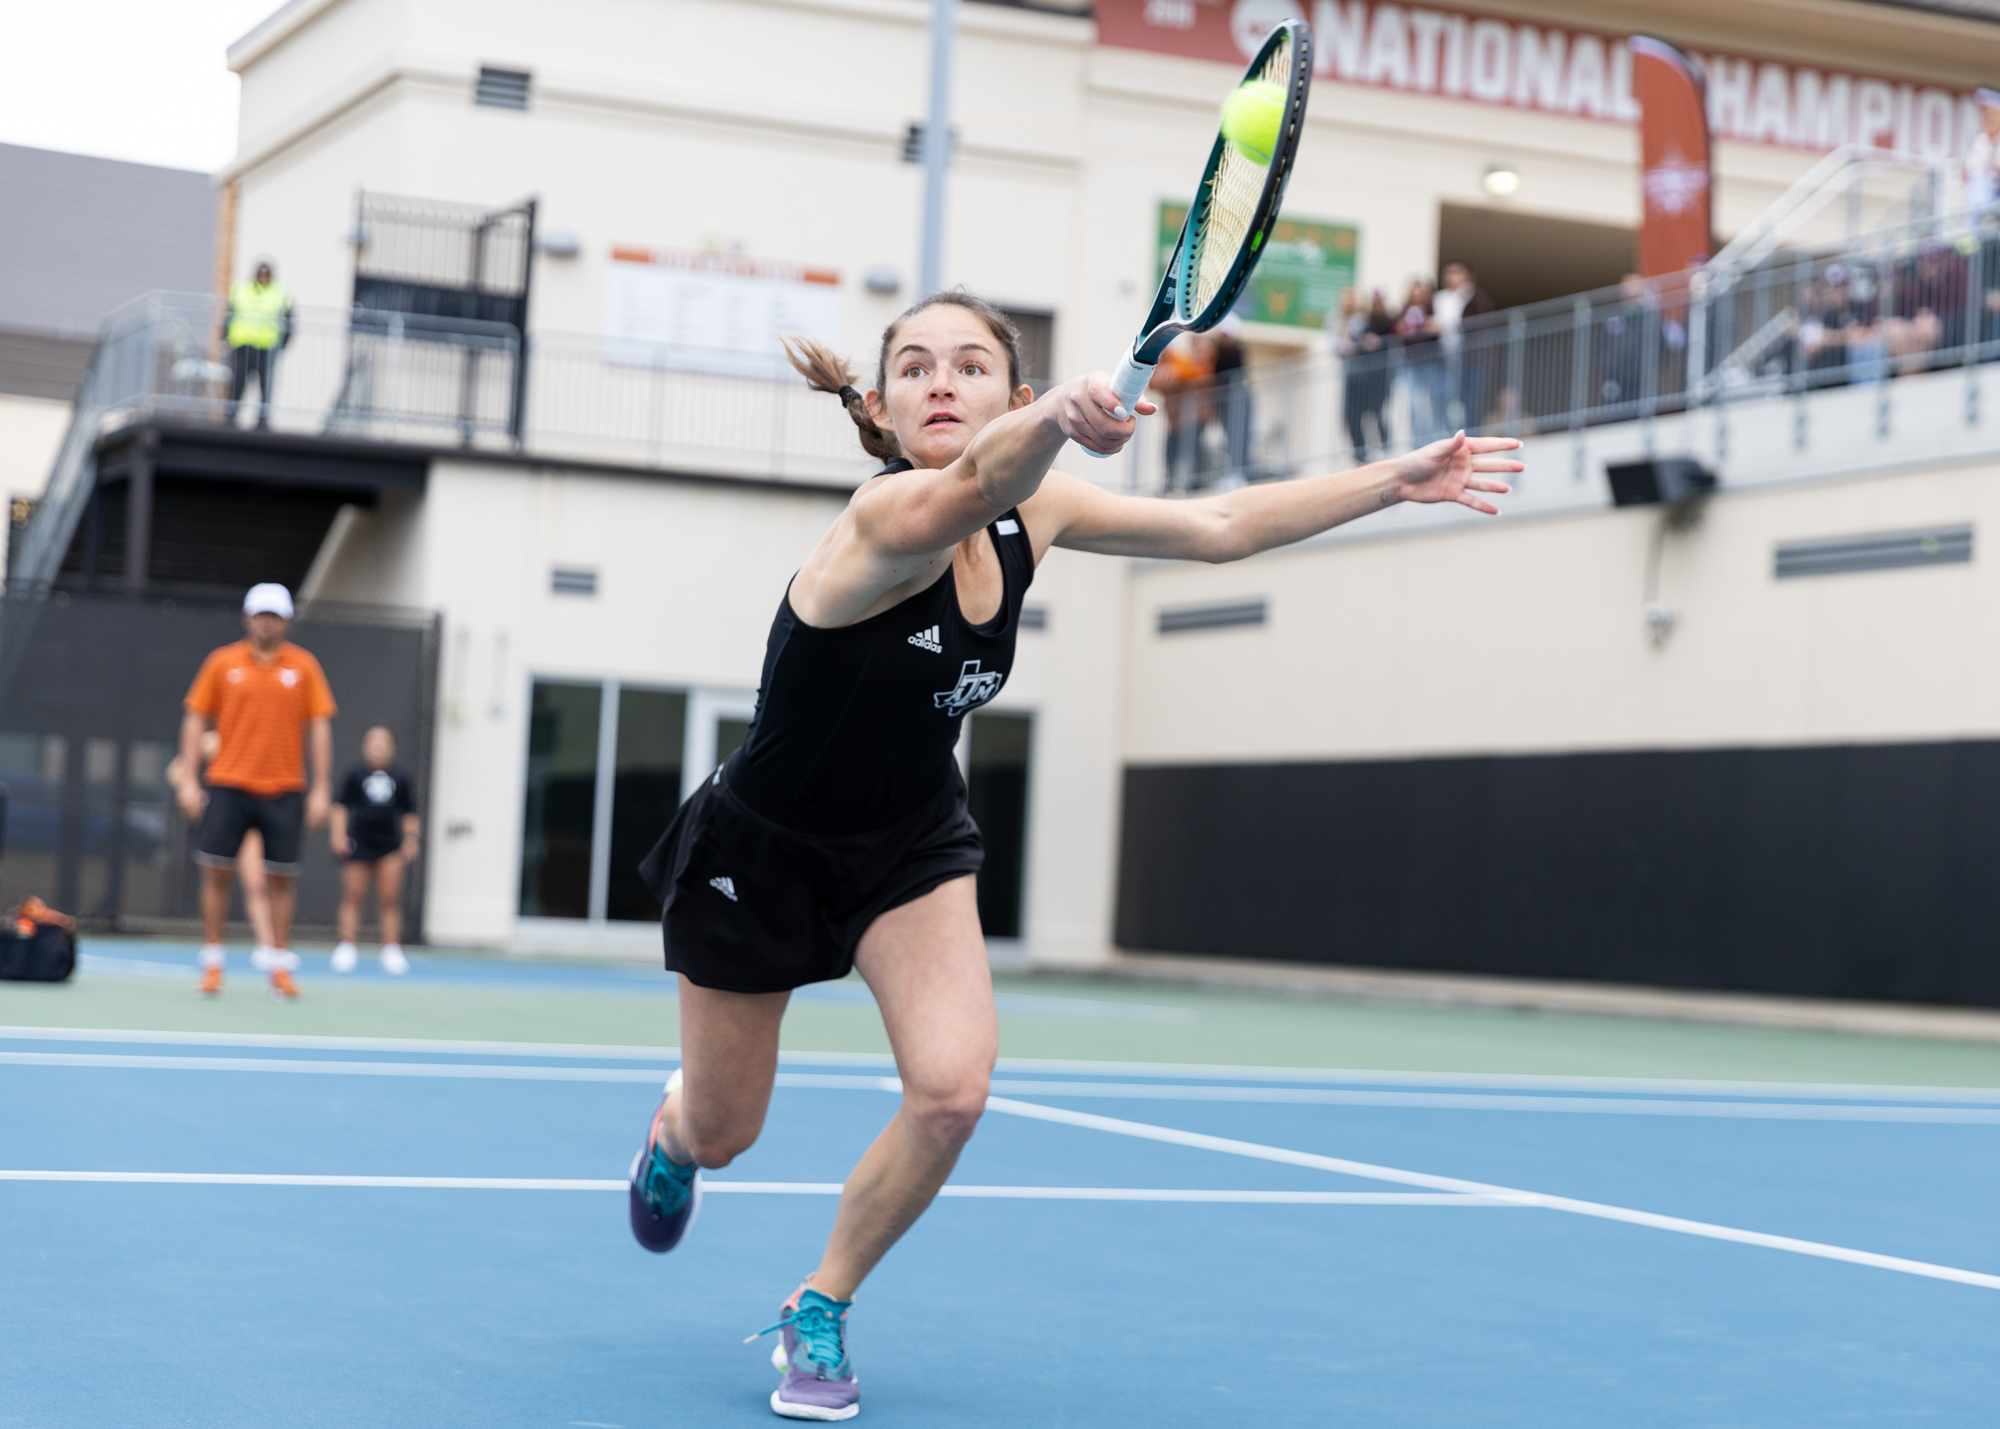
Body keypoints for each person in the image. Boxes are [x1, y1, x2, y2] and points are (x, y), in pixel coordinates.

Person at [623, 288, 1519, 1421]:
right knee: (724, 1130)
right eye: (912, 367)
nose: (939, 382)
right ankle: (673, 1133)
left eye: (967, 365)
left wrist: (1392, 479)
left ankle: (821, 1301)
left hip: (906, 837)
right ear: (884, 409)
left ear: (1012, 388)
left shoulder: (1031, 514)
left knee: (950, 1093)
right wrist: (1054, 425)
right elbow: (975, 482)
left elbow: (1220, 526)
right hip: (762, 849)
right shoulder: (886, 518)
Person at [175, 583, 335, 998]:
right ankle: (212, 963)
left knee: (280, 878)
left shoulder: (304, 667)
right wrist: (191, 779)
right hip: (228, 784)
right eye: (261, 614)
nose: (267, 622)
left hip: (284, 788)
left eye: (275, 615)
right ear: (248, 618)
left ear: (287, 621)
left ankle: (279, 965)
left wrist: (321, 789)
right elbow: (195, 718)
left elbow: (319, 727)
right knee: (216, 873)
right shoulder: (221, 663)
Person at [329, 725, 420, 976]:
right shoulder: (354, 775)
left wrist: (411, 840)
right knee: (353, 896)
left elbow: (410, 813)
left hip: (389, 846)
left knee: (390, 899)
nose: (378, 746)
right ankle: (347, 947)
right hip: (359, 843)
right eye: (373, 741)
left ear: (392, 746)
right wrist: (339, 836)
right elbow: (340, 807)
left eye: (384, 741)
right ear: (365, 745)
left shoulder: (401, 777)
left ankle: (392, 950)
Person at [223, 259, 293, 430]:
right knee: (237, 384)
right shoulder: (241, 290)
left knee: (266, 386)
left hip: (266, 347)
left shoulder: (280, 293)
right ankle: (230, 419)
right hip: (242, 345)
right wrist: (226, 339)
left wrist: (281, 346)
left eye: (265, 274)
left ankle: (263, 421)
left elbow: (289, 324)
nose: (262, 277)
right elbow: (229, 316)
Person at [1431, 261, 1495, 430]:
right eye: (1449, 272)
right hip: (1445, 358)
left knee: (1470, 401)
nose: (1453, 276)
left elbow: (1477, 322)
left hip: (1472, 359)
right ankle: (1448, 436)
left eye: (1458, 272)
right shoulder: (1440, 299)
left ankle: (1470, 437)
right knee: (1443, 399)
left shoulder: (1475, 298)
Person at [1149, 329, 1215, 492]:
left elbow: (1195, 376)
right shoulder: (1166, 364)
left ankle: (1195, 483)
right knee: (1171, 451)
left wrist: (1174, 373)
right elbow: (1155, 384)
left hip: (1193, 416)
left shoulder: (1182, 362)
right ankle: (1170, 484)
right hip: (1176, 419)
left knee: (1194, 450)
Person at [1337, 286, 1396, 458]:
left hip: (1376, 377)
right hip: (1356, 377)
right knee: (1352, 416)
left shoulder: (1378, 321)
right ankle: (1360, 455)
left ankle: (1385, 451)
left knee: (1377, 414)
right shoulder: (1355, 321)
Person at [1206, 314, 1252, 485]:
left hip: (1237, 400)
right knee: (1229, 437)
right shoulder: (1216, 351)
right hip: (1224, 401)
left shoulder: (1237, 350)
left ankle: (1241, 473)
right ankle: (1233, 471)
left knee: (1240, 436)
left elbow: (1238, 373)